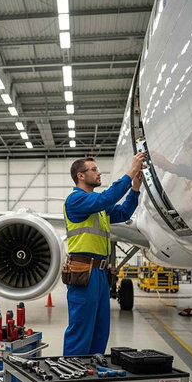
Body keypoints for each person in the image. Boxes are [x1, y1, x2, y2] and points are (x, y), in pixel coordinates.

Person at [63, 152, 146, 356]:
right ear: (80, 176)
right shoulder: (76, 200)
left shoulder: (98, 205)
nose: (99, 173)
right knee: (81, 328)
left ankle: (91, 372)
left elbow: (124, 213)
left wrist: (135, 189)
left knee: (101, 329)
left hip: (100, 272)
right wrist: (131, 170)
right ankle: (72, 376)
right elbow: (108, 197)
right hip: (83, 271)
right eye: (94, 170)